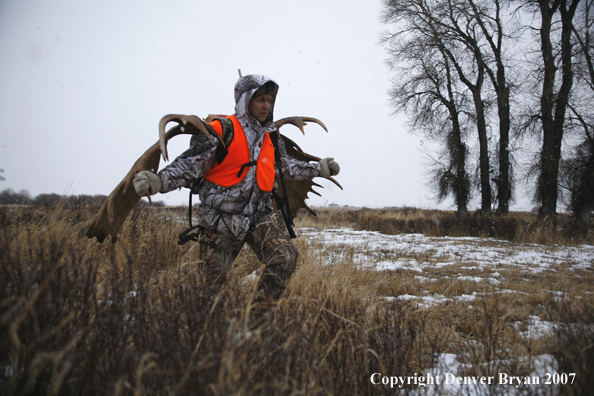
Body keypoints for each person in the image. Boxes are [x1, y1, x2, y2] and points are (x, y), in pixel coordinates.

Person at [133, 74, 340, 305]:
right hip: (220, 220)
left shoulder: (271, 134)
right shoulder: (221, 130)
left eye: (269, 100)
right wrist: (160, 181)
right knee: (209, 291)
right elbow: (190, 165)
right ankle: (205, 332)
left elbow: (285, 167)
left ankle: (256, 321)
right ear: (245, 100)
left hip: (259, 215)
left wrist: (318, 169)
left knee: (285, 257)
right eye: (260, 99)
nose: (266, 105)